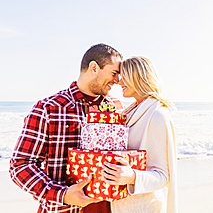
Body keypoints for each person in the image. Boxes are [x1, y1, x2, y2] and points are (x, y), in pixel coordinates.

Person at [9, 43, 124, 213]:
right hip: (63, 209)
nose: (117, 81)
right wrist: (61, 194)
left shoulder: (116, 106)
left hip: (112, 209)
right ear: (93, 68)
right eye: (114, 73)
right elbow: (20, 165)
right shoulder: (49, 108)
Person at [102, 56, 178, 213]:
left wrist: (132, 177)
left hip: (146, 207)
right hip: (121, 206)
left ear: (138, 78)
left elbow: (163, 176)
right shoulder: (129, 111)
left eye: (125, 77)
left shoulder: (157, 116)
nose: (119, 82)